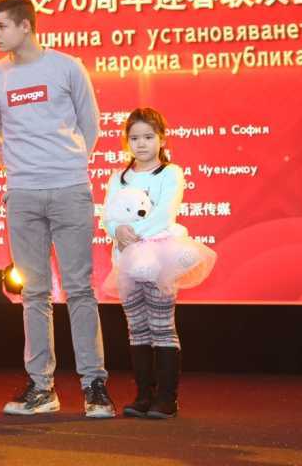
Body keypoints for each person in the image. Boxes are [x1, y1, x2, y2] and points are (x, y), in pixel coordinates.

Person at [0, 0, 115, 418]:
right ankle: (42, 388)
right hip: (22, 194)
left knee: (79, 289)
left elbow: (89, 125)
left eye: (1, 26)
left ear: (26, 26)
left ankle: (94, 386)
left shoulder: (67, 67)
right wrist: (22, 172)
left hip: (69, 189)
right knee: (33, 293)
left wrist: (65, 165)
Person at [101, 107, 216, 419]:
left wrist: (134, 235)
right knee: (137, 328)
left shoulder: (170, 173)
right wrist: (116, 231)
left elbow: (165, 213)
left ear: (162, 139)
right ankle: (143, 396)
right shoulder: (118, 178)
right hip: (125, 262)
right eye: (134, 138)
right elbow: (108, 215)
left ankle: (166, 398)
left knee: (162, 326)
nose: (141, 143)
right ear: (126, 142)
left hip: (160, 260)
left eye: (148, 137)